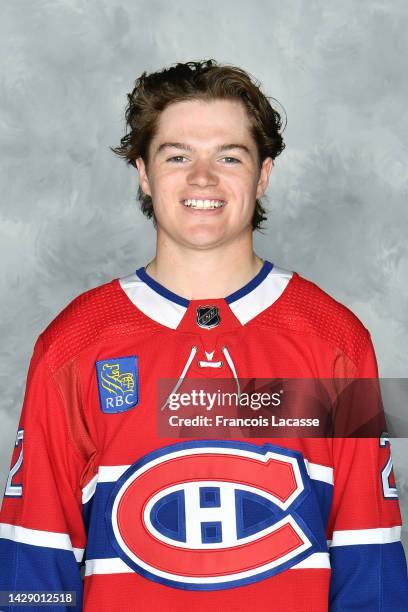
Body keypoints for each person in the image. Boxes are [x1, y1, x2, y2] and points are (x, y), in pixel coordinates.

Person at [0, 59, 407, 611]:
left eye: (229, 156)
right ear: (144, 172)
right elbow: (34, 568)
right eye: (177, 156)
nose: (202, 179)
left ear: (263, 175)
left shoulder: (335, 341)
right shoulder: (74, 344)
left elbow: (371, 566)